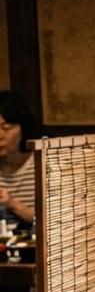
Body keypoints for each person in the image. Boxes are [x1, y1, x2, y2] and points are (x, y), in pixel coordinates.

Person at [0, 91, 37, 227]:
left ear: (24, 128)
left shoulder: (42, 166)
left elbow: (52, 222)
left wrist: (11, 203)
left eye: (6, 128)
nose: (0, 135)